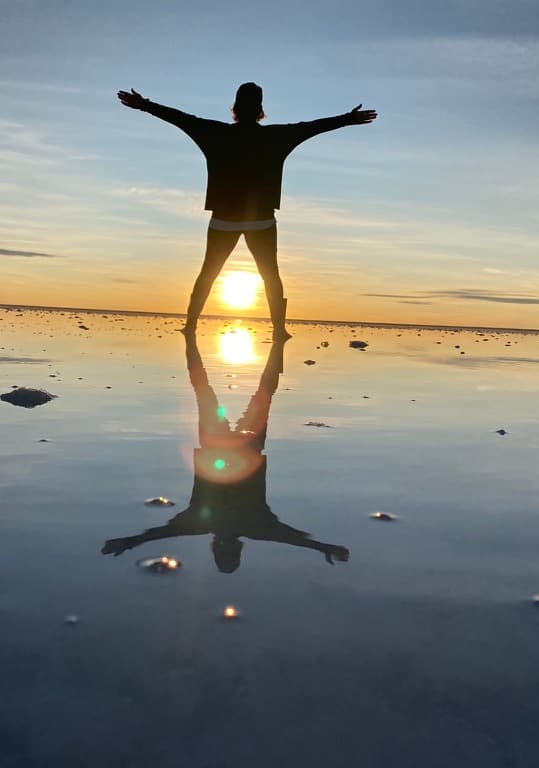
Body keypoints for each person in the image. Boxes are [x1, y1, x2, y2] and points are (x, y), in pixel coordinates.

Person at [117, 82, 377, 337]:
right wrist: (348, 119)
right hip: (261, 221)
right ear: (260, 109)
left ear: (235, 108)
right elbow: (312, 128)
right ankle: (279, 329)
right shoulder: (276, 136)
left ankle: (191, 324)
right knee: (270, 276)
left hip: (223, 219)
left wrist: (144, 105)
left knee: (209, 273)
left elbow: (180, 118)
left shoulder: (213, 132)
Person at [101, 333, 350, 573]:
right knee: (223, 390)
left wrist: (130, 542)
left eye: (223, 551)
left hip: (223, 442)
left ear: (217, 549)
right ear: (236, 549)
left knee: (218, 390)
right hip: (241, 443)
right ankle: (202, 339)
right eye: (230, 551)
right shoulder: (255, 528)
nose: (226, 545)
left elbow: (160, 533)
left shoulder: (206, 525)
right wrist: (321, 547)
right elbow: (292, 538)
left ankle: (193, 338)